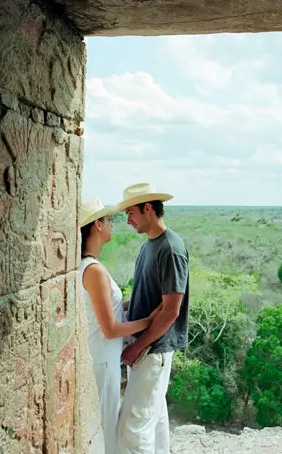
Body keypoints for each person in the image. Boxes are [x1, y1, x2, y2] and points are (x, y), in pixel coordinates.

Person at [79, 197, 160, 454]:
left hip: (102, 356)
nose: (112, 223)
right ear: (97, 226)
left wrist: (136, 304)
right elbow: (111, 328)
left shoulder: (86, 267)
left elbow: (108, 311)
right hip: (103, 360)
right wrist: (148, 321)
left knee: (104, 424)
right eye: (108, 219)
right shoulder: (94, 271)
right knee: (105, 428)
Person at [115, 183, 190, 454]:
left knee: (132, 429)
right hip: (145, 346)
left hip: (151, 349)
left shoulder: (170, 248)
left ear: (148, 208)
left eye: (131, 212)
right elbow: (144, 297)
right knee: (155, 420)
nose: (128, 220)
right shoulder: (150, 246)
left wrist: (138, 346)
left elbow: (171, 310)